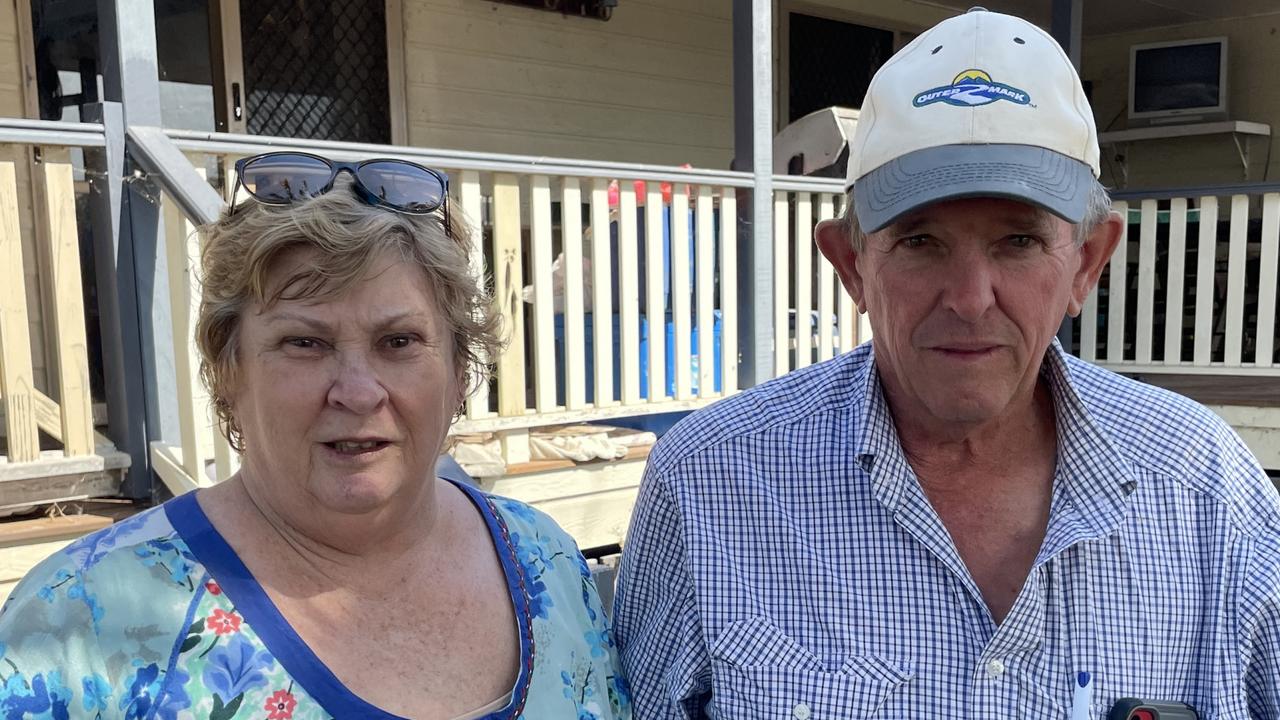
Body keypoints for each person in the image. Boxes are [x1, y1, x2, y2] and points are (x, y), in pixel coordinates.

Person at [613, 8, 1280, 718]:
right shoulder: (709, 484)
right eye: (921, 241)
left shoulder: (1206, 489)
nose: (969, 299)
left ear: (1087, 263)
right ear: (851, 265)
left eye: (1019, 241)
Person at [0, 153, 631, 720]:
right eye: (305, 343)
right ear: (229, 372)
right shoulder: (73, 623)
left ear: (459, 371)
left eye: (399, 342)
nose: (357, 391)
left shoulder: (543, 560)